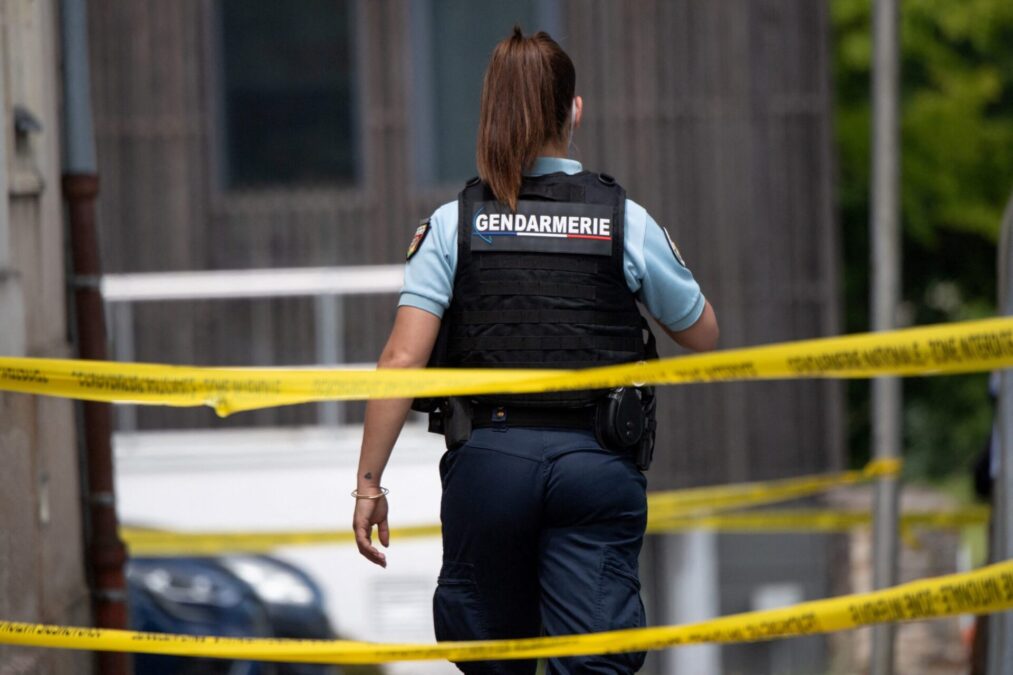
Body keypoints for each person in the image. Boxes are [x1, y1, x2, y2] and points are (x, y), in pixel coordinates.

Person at [352, 27, 718, 675]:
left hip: (489, 461)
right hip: (595, 461)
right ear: (573, 111)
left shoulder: (452, 224)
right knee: (593, 661)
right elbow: (701, 333)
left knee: (491, 658)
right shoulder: (621, 220)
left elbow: (400, 363)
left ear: (490, 112)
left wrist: (367, 485)